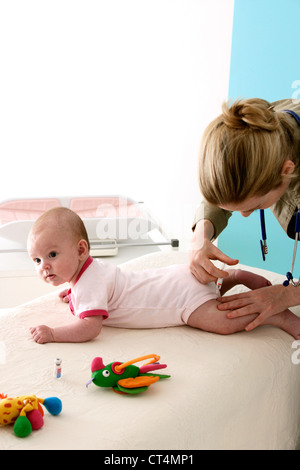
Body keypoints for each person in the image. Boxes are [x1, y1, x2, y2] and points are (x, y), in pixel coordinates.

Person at [27, 207, 300, 344]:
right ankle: (234, 276)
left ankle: (277, 315)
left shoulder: (88, 285)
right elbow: (99, 291)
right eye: (37, 260)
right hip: (178, 276)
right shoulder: (91, 271)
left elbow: (90, 327)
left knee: (222, 321)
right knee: (208, 289)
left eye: (52, 255)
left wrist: (53, 333)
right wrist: (74, 293)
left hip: (180, 301)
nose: (44, 266)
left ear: (81, 249)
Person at [190, 97, 300, 332]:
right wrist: (201, 234)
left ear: (287, 171)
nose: (245, 215)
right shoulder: (256, 134)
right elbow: (227, 190)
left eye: (254, 206)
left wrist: (286, 296)